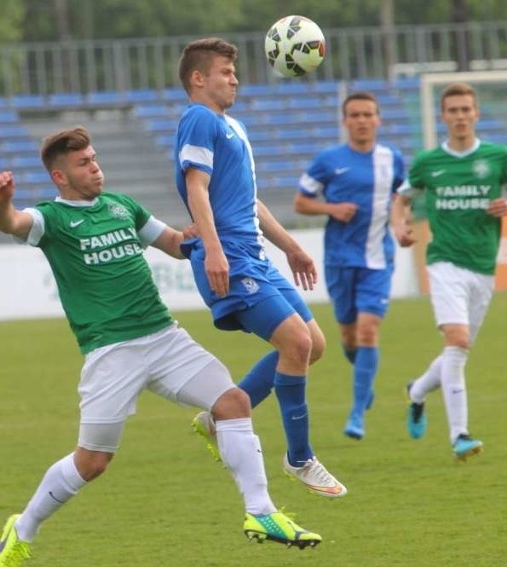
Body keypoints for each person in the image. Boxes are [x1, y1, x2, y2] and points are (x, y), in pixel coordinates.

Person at [0, 126, 321, 567]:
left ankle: (262, 512)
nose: (95, 167)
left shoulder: (123, 206)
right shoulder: (52, 218)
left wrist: (203, 237)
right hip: (111, 352)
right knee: (92, 461)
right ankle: (23, 528)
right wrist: (2, 202)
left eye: (95, 158)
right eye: (83, 163)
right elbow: (12, 223)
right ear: (60, 177)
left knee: (234, 402)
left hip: (164, 337)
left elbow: (175, 245)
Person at [173, 37, 346, 498]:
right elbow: (198, 188)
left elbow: (246, 199)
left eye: (235, 72)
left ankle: (220, 415)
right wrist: (213, 250)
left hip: (255, 254)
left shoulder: (233, 127)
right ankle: (300, 457)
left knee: (314, 345)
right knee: (296, 340)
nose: (235, 79)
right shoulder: (198, 119)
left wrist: (290, 246)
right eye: (225, 72)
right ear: (197, 78)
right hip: (230, 255)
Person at [391, 81, 507, 460]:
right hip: (443, 261)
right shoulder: (429, 162)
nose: (461, 116)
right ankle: (460, 435)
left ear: (476, 113)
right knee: (459, 343)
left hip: (482, 267)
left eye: (467, 109)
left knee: (457, 350)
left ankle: (416, 392)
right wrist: (401, 225)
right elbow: (401, 199)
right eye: (454, 110)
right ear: (443, 116)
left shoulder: (498, 157)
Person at [293, 92, 406, 440]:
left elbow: (402, 197)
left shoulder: (393, 159)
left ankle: (357, 413)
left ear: (378, 119)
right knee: (348, 337)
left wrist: (401, 226)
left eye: (368, 114)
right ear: (345, 121)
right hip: (340, 259)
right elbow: (301, 202)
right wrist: (332, 209)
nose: (361, 120)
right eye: (354, 115)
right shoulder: (328, 160)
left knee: (368, 331)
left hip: (378, 259)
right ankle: (364, 382)